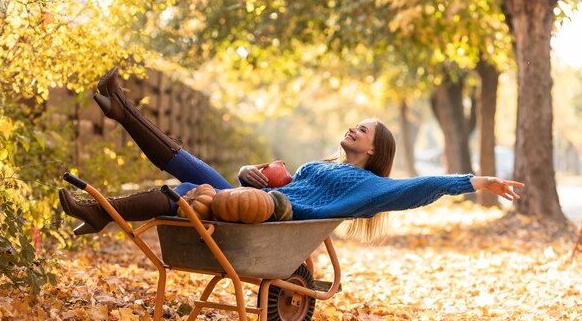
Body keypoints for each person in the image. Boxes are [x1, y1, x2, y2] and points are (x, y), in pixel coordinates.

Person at [59, 67, 524, 240]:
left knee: (185, 189)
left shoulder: (371, 187)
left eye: (361, 129)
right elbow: (266, 181)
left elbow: (424, 187)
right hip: (253, 208)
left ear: (374, 148)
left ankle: (101, 212)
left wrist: (479, 182)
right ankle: (121, 110)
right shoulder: (318, 164)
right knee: (187, 168)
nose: (352, 127)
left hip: (274, 222)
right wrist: (249, 172)